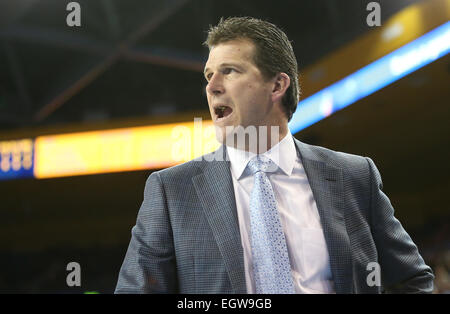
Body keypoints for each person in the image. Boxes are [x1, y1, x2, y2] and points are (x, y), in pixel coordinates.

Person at [115, 17, 434, 294]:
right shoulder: (172, 191)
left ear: (277, 85)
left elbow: (411, 279)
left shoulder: (355, 176)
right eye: (209, 75)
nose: (212, 87)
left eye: (229, 71)